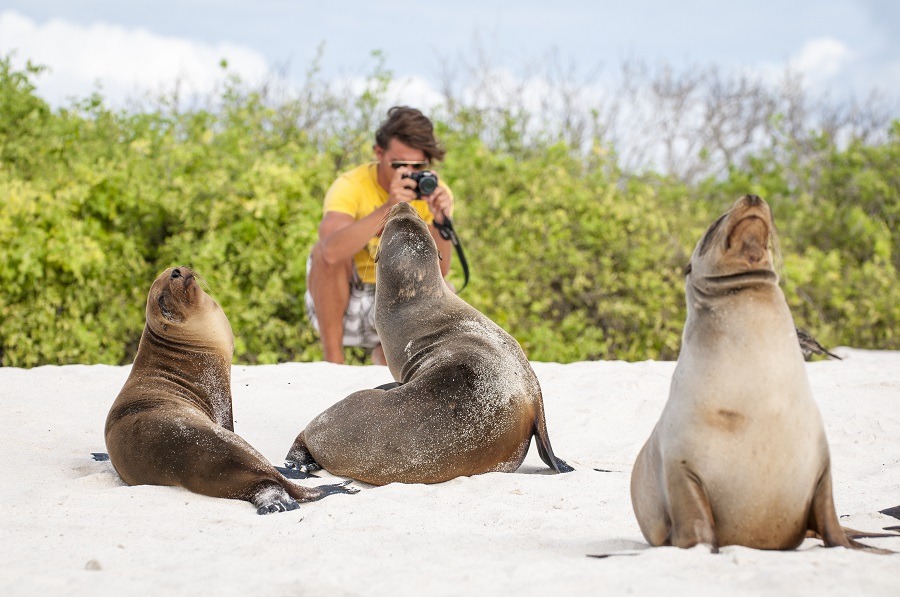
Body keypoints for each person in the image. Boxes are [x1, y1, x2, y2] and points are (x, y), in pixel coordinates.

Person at [305, 106, 455, 365]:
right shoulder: (351, 185)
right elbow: (329, 251)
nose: (408, 172)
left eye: (418, 166)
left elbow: (439, 272)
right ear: (379, 153)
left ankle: (387, 358)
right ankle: (333, 361)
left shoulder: (434, 192)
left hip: (399, 298)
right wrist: (389, 207)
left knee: (446, 292)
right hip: (347, 297)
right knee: (324, 250)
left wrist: (442, 221)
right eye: (399, 164)